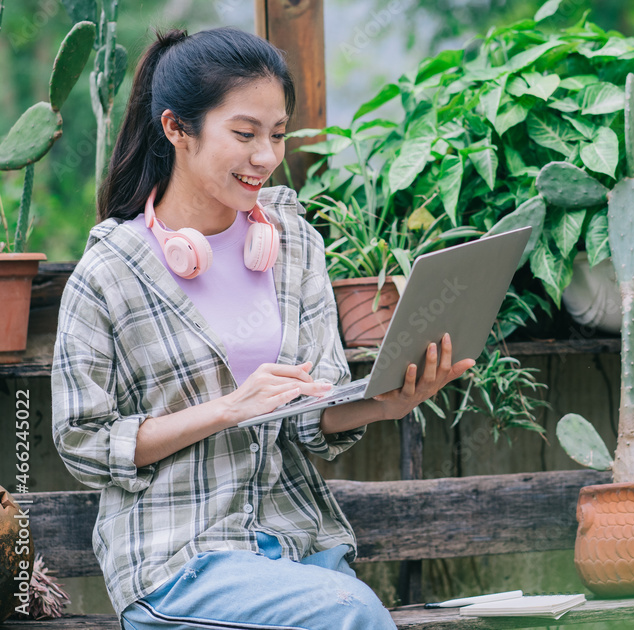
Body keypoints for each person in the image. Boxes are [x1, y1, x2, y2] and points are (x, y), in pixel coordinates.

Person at [50, 27, 473, 630]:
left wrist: (384, 404)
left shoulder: (293, 241)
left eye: (277, 135)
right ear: (176, 129)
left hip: (295, 541)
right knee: (353, 614)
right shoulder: (110, 271)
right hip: (178, 558)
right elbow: (84, 442)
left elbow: (309, 412)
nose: (266, 158)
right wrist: (228, 409)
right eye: (244, 134)